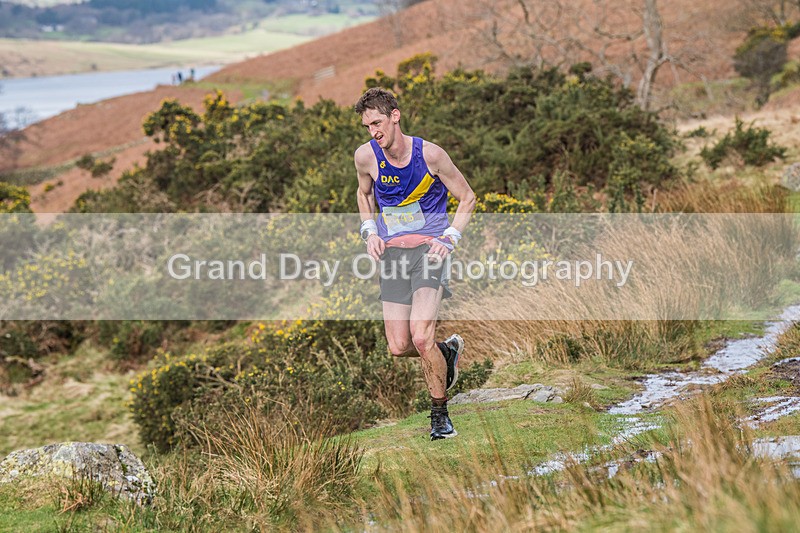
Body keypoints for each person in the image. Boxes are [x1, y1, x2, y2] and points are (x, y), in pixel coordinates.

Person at [353, 87, 476, 440]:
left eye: (377, 122)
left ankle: (440, 417)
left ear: (395, 116)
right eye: (366, 126)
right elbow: (363, 194)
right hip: (392, 256)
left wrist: (449, 237)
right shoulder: (366, 157)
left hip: (428, 253)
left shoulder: (431, 155)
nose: (373, 131)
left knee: (421, 337)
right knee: (398, 346)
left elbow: (467, 198)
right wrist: (369, 231)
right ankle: (446, 354)